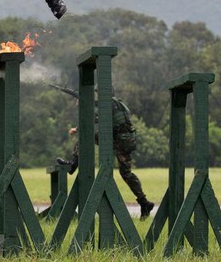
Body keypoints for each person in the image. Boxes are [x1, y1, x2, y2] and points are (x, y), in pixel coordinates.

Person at [55, 91, 155, 219]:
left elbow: (94, 118)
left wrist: (82, 108)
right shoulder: (118, 103)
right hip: (126, 139)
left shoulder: (109, 105)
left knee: (87, 136)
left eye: (98, 92)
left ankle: (73, 165)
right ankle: (144, 202)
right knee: (126, 173)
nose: (97, 95)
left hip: (119, 139)